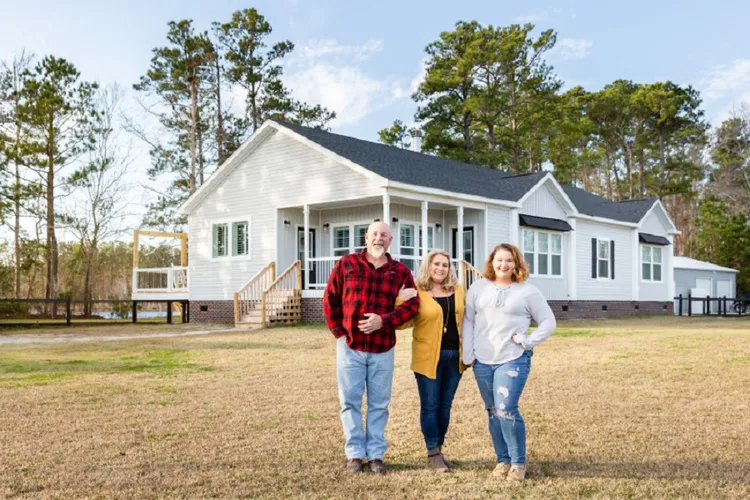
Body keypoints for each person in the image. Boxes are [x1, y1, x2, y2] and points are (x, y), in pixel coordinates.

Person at [323, 221, 420, 475]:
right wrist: (338, 332)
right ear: (366, 238)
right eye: (375, 234)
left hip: (383, 348)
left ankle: (376, 454)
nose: (379, 238)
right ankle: (355, 454)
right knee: (350, 401)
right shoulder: (347, 264)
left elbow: (412, 305)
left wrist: (383, 320)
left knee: (379, 403)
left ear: (390, 241)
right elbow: (330, 298)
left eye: (384, 235)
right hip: (350, 346)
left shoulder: (400, 272)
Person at [462, 243, 556, 481]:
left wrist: (528, 341)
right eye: (499, 260)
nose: (503, 265)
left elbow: (548, 322)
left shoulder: (528, 292)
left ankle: (517, 463)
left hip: (513, 358)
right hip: (482, 360)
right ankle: (502, 460)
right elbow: (469, 320)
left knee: (506, 409)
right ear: (492, 262)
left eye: (509, 260)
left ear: (517, 264)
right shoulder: (478, 287)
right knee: (493, 411)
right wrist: (468, 353)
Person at [396, 250, 468, 473]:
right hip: (428, 358)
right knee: (430, 406)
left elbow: (470, 320)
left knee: (445, 407)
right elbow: (400, 324)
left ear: (450, 268)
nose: (440, 268)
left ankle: (439, 447)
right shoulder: (417, 291)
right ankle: (433, 453)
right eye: (436, 263)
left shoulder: (458, 290)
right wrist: (400, 300)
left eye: (445, 264)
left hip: (455, 357)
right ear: (428, 266)